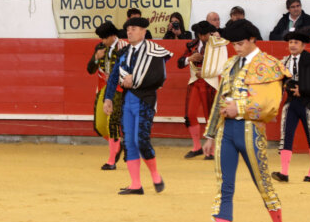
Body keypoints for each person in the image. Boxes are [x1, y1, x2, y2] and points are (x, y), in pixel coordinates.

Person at [202, 19, 289, 222]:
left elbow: (271, 105)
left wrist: (239, 109)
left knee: (263, 184)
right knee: (224, 187)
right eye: (234, 44)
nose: (236, 48)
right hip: (226, 132)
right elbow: (219, 99)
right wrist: (210, 134)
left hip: (251, 131)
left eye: (240, 43)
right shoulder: (230, 63)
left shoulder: (269, 65)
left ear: (252, 40)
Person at [103, 16, 171, 195]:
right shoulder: (124, 52)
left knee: (141, 140)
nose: (129, 32)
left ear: (143, 31)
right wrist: (108, 98)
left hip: (145, 101)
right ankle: (135, 184)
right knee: (129, 142)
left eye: (133, 29)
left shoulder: (154, 51)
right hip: (127, 101)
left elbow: (159, 77)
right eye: (128, 29)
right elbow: (114, 77)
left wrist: (136, 80)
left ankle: (155, 175)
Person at [274, 30, 310, 183]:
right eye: (290, 42)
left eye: (296, 42)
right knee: (286, 137)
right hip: (291, 104)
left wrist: (303, 90)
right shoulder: (284, 62)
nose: (292, 45)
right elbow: (278, 83)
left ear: (303, 45)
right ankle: (284, 173)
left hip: (308, 104)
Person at [180, 20, 228, 159]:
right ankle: (197, 147)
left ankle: (212, 150)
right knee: (190, 114)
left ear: (210, 33)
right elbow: (180, 63)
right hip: (195, 82)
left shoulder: (218, 44)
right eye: (200, 35)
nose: (202, 37)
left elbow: (222, 65)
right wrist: (190, 58)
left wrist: (205, 73)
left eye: (205, 35)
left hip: (210, 83)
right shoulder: (192, 45)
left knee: (210, 116)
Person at [89, 22, 127, 169]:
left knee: (112, 122)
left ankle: (111, 161)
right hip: (103, 87)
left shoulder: (123, 46)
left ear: (112, 36)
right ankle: (117, 145)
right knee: (99, 125)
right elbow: (90, 69)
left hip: (119, 88)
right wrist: (96, 57)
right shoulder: (100, 48)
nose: (102, 41)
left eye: (105, 38)